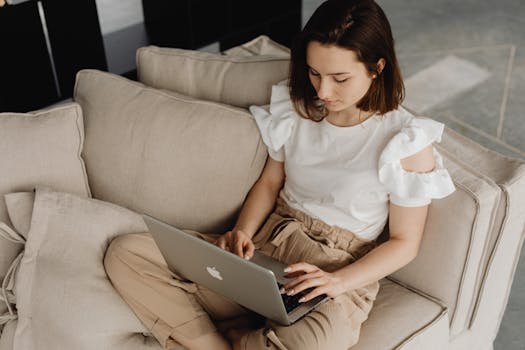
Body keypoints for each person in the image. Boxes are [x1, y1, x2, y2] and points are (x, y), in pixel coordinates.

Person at [104, 0, 456, 349]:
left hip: (333, 269)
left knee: (313, 343)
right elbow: (270, 183)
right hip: (269, 243)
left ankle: (240, 335)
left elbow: (404, 243)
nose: (323, 91)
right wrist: (242, 231)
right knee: (128, 254)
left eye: (340, 78)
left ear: (377, 67)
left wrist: (336, 282)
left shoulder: (405, 141)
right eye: (314, 73)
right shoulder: (298, 111)